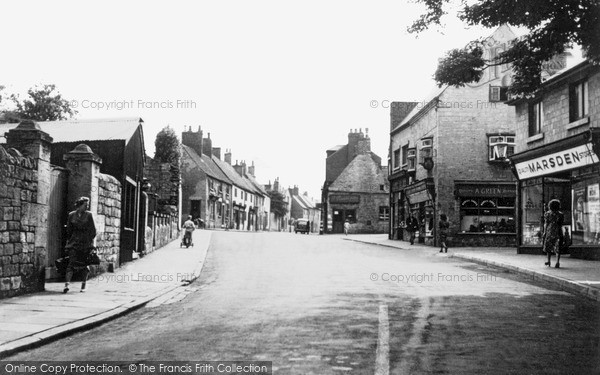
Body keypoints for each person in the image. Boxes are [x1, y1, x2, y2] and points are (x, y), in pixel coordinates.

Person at [64, 197, 96, 293]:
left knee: (84, 265)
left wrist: (90, 243)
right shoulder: (71, 215)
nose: (87, 207)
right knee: (71, 264)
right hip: (74, 243)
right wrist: (69, 241)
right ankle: (67, 285)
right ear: (79, 205)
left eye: (88, 205)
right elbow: (69, 230)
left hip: (85, 243)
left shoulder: (89, 215)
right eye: (85, 205)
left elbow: (93, 231)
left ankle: (83, 285)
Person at [542, 199, 564, 268]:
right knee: (558, 247)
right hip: (558, 231)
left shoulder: (547, 214)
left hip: (550, 231)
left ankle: (549, 261)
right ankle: (557, 262)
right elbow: (561, 223)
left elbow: (546, 223)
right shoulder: (560, 214)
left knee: (548, 246)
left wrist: (544, 232)